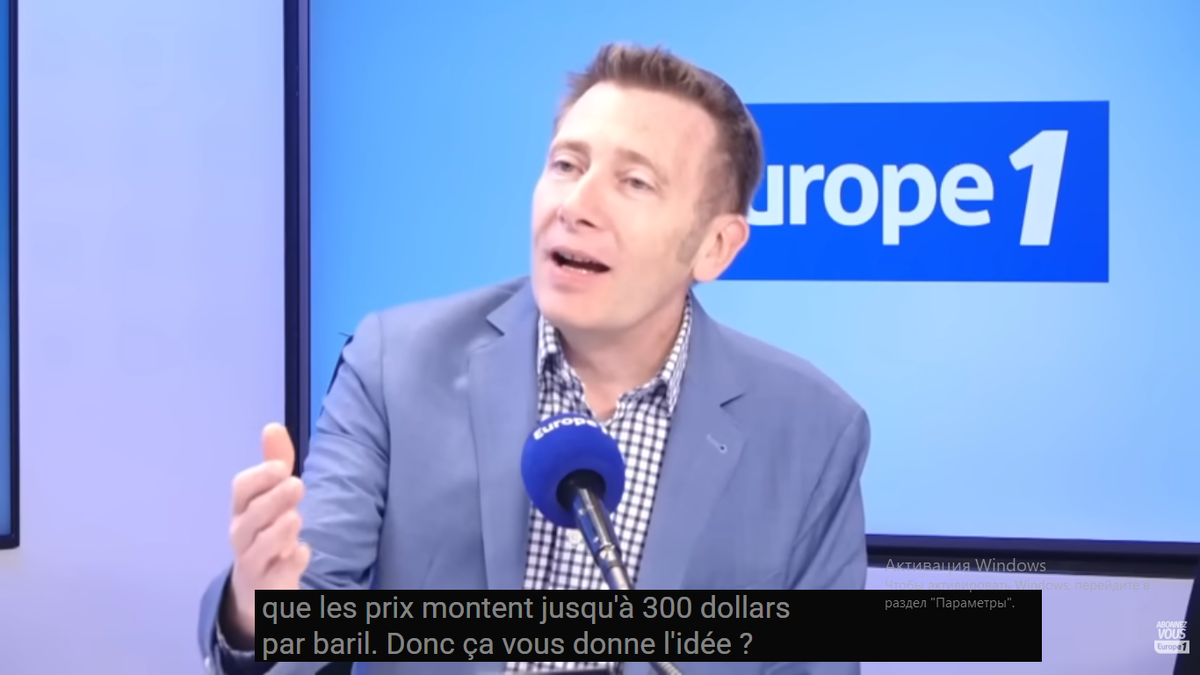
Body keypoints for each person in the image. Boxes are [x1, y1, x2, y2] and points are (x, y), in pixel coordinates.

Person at [198, 42, 870, 675]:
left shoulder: (812, 433)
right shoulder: (395, 368)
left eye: (635, 182)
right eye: (566, 165)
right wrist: (261, 612)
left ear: (715, 247)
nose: (576, 206)